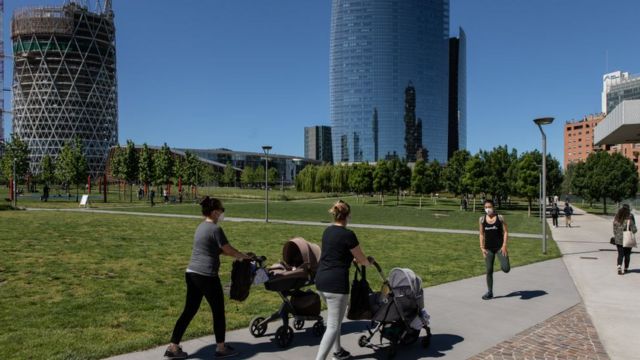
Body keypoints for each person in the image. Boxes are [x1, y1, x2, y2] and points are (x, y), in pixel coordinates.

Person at [165, 197, 252, 359]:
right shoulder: (215, 229)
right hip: (207, 276)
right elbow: (228, 249)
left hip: (192, 273)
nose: (222, 213)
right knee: (218, 311)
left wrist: (240, 256)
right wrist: (244, 257)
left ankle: (173, 347)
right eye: (221, 210)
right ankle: (221, 348)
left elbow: (218, 250)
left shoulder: (201, 227)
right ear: (214, 212)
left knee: (189, 311)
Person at [315, 200, 371, 360]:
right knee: (332, 326)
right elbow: (361, 259)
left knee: (335, 320)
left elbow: (335, 253)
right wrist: (368, 262)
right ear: (348, 216)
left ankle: (338, 351)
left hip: (321, 281)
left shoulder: (327, 231)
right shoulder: (348, 235)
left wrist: (350, 259)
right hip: (336, 285)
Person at [479, 199, 510, 300]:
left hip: (500, 248)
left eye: (489, 207)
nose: (488, 209)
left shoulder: (500, 218)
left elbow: (505, 231)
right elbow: (481, 234)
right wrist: (482, 247)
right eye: (486, 207)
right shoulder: (482, 219)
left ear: (493, 207)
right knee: (489, 270)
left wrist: (504, 245)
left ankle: (505, 261)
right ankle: (490, 292)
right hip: (488, 249)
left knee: (506, 269)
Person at [613, 205, 637, 275]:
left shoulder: (617, 217)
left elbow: (614, 229)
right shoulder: (630, 218)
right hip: (628, 238)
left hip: (618, 239)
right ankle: (626, 268)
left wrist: (616, 235)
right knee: (627, 254)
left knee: (620, 254)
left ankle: (619, 267)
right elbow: (634, 230)